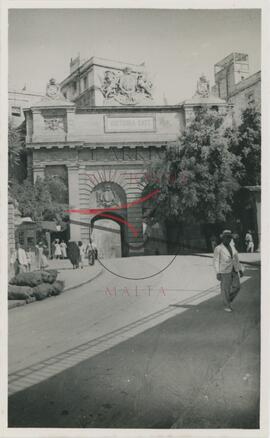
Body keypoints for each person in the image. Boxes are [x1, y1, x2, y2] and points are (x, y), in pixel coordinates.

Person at [213, 229, 244, 312]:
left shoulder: (232, 247)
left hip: (234, 270)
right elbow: (215, 261)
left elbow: (236, 259)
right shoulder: (218, 248)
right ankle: (227, 305)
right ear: (223, 238)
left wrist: (240, 269)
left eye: (230, 237)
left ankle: (227, 300)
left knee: (237, 287)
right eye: (226, 237)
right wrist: (218, 272)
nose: (228, 239)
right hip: (224, 271)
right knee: (225, 288)